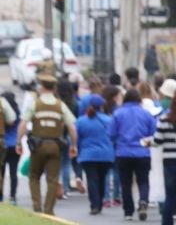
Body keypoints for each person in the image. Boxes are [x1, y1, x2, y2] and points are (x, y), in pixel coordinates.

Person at [16, 74, 78, 215]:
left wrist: (18, 142)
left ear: (42, 87)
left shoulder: (35, 104)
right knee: (52, 178)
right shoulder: (60, 105)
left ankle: (37, 206)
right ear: (54, 87)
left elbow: (23, 124)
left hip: (38, 146)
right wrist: (74, 145)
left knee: (34, 175)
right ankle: (49, 210)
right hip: (55, 146)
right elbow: (72, 127)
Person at [107, 88, 156, 221]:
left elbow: (111, 133)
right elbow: (154, 132)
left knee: (126, 182)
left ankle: (128, 211)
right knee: (143, 180)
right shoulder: (146, 114)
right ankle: (143, 201)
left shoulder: (118, 114)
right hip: (143, 152)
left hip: (123, 152)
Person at [75, 94, 114, 215]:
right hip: (106, 155)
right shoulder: (109, 120)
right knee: (102, 179)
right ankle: (100, 201)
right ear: (102, 106)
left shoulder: (81, 121)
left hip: (88, 155)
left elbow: (77, 138)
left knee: (92, 179)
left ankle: (94, 204)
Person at [153, 90, 176, 225]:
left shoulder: (165, 119)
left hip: (170, 161)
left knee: (170, 195)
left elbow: (157, 140)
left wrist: (148, 142)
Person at [0, 92, 20, 204]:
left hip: (3, 144)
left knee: (1, 172)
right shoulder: (17, 112)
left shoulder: (3, 112)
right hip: (14, 145)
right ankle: (13, 196)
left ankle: (1, 196)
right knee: (13, 172)